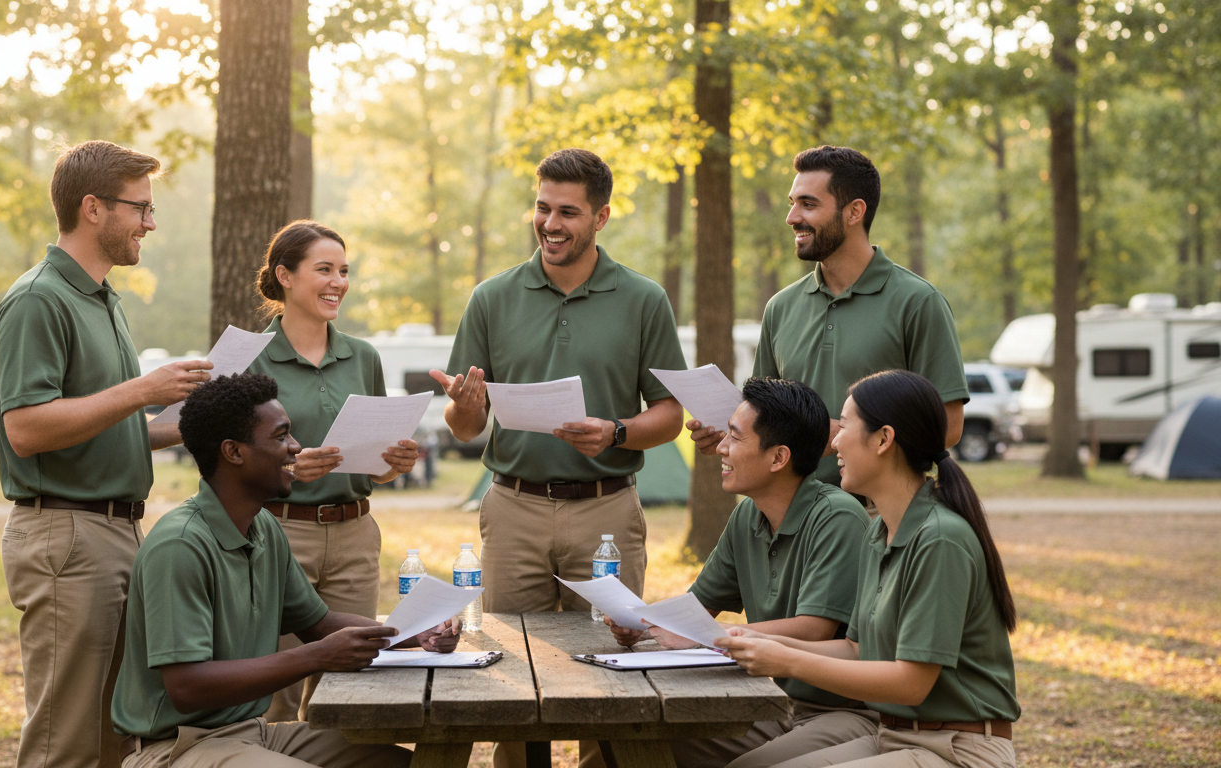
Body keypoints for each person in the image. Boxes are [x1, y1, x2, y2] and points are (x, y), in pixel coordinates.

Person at [431, 147, 687, 766]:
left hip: (606, 514)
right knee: (512, 679)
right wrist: (464, 404)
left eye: (567, 212)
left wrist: (617, 433)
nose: (550, 223)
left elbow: (671, 414)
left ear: (600, 217)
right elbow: (466, 428)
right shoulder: (491, 297)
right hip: (513, 508)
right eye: (543, 208)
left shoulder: (643, 298)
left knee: (615, 667)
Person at [0, 140, 213, 768]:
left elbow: (101, 425)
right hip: (67, 537)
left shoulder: (102, 298)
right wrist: (144, 388)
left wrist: (182, 419)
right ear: (92, 208)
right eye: (139, 207)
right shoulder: (40, 299)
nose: (150, 221)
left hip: (115, 532)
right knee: (66, 739)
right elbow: (28, 429)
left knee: (114, 732)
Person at [111, 372, 459, 767]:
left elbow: (320, 624)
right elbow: (187, 687)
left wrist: (415, 633)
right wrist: (316, 658)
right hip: (173, 748)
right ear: (233, 451)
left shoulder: (264, 528)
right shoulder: (180, 546)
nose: (295, 447)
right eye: (280, 437)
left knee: (410, 763)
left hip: (248, 732)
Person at [715, 370, 1020, 768]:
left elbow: (911, 683)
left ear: (883, 439)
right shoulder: (880, 531)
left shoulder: (940, 538)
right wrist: (760, 644)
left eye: (846, 425)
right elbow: (857, 650)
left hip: (959, 748)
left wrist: (787, 661)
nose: (835, 439)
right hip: (893, 737)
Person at [605, 378, 875, 768]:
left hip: (836, 712)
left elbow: (813, 628)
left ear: (778, 458)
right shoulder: (748, 515)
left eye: (734, 437)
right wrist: (644, 623)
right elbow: (698, 607)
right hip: (766, 698)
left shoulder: (837, 517)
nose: (721, 448)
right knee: (637, 734)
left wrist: (709, 636)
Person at [690, 146, 968, 486]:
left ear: (854, 212)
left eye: (808, 204)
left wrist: (843, 436)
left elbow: (949, 428)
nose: (792, 217)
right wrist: (731, 437)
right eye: (791, 203)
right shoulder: (780, 307)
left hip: (879, 515)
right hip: (794, 511)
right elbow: (764, 418)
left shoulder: (919, 302)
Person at [244, 221, 421, 723]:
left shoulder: (363, 356)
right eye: (324, 270)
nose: (338, 282)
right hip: (278, 535)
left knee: (349, 681)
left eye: (344, 271)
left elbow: (375, 465)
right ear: (285, 276)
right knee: (275, 683)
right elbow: (228, 459)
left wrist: (394, 465)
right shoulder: (251, 359)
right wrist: (288, 468)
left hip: (354, 537)